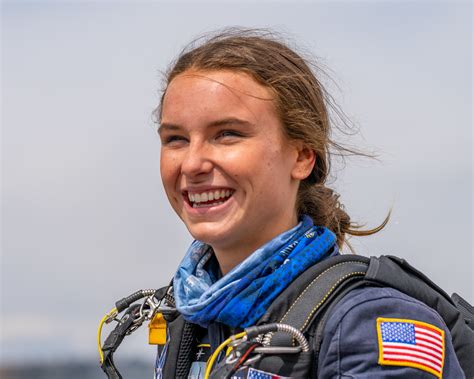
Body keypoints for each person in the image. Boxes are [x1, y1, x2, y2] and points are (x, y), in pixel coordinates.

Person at [154, 29, 465, 378]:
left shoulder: (368, 324)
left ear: (302, 156)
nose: (193, 163)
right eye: (176, 139)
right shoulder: (189, 319)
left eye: (228, 134)